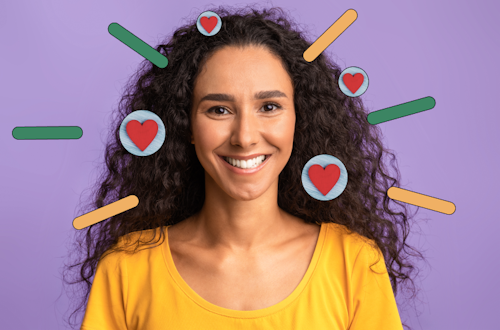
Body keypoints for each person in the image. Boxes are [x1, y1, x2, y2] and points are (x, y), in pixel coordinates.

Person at [63, 5, 424, 330]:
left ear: (301, 120)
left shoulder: (355, 264)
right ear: (186, 125)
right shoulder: (127, 270)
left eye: (269, 107)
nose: (245, 137)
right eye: (219, 110)